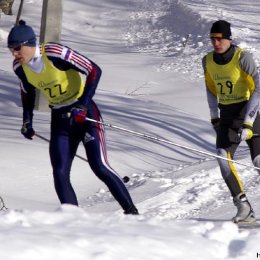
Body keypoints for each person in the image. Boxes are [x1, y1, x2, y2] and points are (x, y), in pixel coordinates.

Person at [8, 20, 138, 215]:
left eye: (17, 48)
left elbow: (94, 70)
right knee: (60, 173)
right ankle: (74, 223)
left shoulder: (54, 53)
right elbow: (27, 93)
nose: (15, 54)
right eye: (11, 50)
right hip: (60, 119)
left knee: (99, 166)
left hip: (84, 115)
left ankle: (132, 214)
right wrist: (27, 121)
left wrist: (83, 104)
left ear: (29, 43)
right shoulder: (19, 66)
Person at [202, 20, 260, 223]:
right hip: (226, 116)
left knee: (258, 160)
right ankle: (243, 207)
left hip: (249, 112)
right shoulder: (207, 60)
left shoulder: (243, 57)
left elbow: (257, 89)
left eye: (220, 39)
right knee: (222, 158)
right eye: (212, 39)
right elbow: (210, 89)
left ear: (229, 39)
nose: (216, 43)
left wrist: (249, 123)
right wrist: (214, 116)